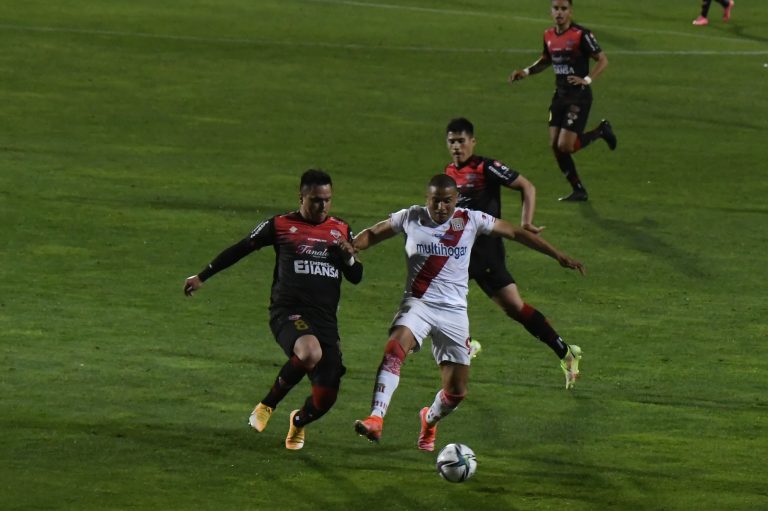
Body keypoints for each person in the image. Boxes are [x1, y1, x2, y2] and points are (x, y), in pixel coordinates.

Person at [352, 174, 584, 451]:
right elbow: (372, 233)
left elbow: (516, 233)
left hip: (454, 313)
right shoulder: (410, 216)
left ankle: (429, 418)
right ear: (426, 199)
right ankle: (376, 417)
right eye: (435, 201)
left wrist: (557, 254)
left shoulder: (471, 220)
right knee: (395, 347)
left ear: (456, 200)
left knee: (456, 392)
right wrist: (351, 246)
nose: (440, 208)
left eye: (447, 202)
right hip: (418, 304)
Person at [183, 169, 363, 450]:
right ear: (301, 197)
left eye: (327, 200)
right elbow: (241, 248)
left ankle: (299, 421)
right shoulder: (280, 225)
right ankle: (267, 405)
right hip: (288, 312)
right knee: (309, 352)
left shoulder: (340, 229)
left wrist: (348, 259)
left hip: (326, 321)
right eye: (316, 200)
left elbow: (356, 276)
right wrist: (202, 276)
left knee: (326, 397)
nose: (323, 206)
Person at [444, 117, 583, 389]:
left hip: (486, 250)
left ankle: (565, 352)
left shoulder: (486, 167)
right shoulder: (448, 172)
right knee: (445, 297)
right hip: (462, 251)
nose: (457, 147)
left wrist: (526, 221)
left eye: (461, 141)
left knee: (514, 309)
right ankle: (566, 352)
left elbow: (527, 186)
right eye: (452, 142)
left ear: (473, 141)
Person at [509, 0, 617, 202]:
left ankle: (601, 131)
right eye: (556, 9)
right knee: (555, 145)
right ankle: (578, 189)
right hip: (559, 96)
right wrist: (525, 71)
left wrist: (587, 79)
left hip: (579, 96)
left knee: (566, 146)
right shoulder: (548, 35)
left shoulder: (581, 35)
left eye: (563, 9)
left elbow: (603, 59)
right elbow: (546, 59)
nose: (559, 13)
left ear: (570, 11)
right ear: (551, 11)